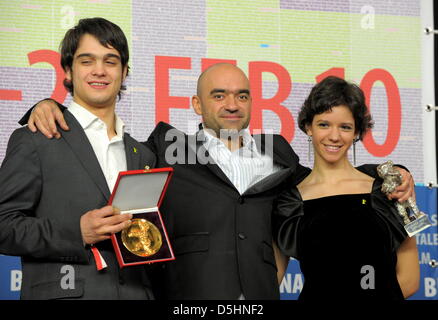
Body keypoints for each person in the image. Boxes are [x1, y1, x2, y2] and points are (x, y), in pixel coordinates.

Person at [18, 64, 415, 300]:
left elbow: (329, 177)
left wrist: (389, 173)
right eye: (219, 95)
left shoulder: (278, 153)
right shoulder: (163, 147)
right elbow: (108, 142)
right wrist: (49, 105)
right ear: (196, 104)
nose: (231, 104)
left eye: (242, 96)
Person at [0, 18, 156, 299]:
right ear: (68, 72)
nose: (99, 70)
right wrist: (77, 232)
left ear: (124, 72)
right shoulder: (37, 137)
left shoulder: (143, 154)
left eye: (110, 61)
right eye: (87, 61)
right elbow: (3, 225)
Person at [273, 76, 420, 300]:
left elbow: (410, 279)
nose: (334, 136)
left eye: (345, 127)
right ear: (308, 127)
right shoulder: (289, 201)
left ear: (357, 132)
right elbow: (272, 279)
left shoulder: (389, 189)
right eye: (324, 124)